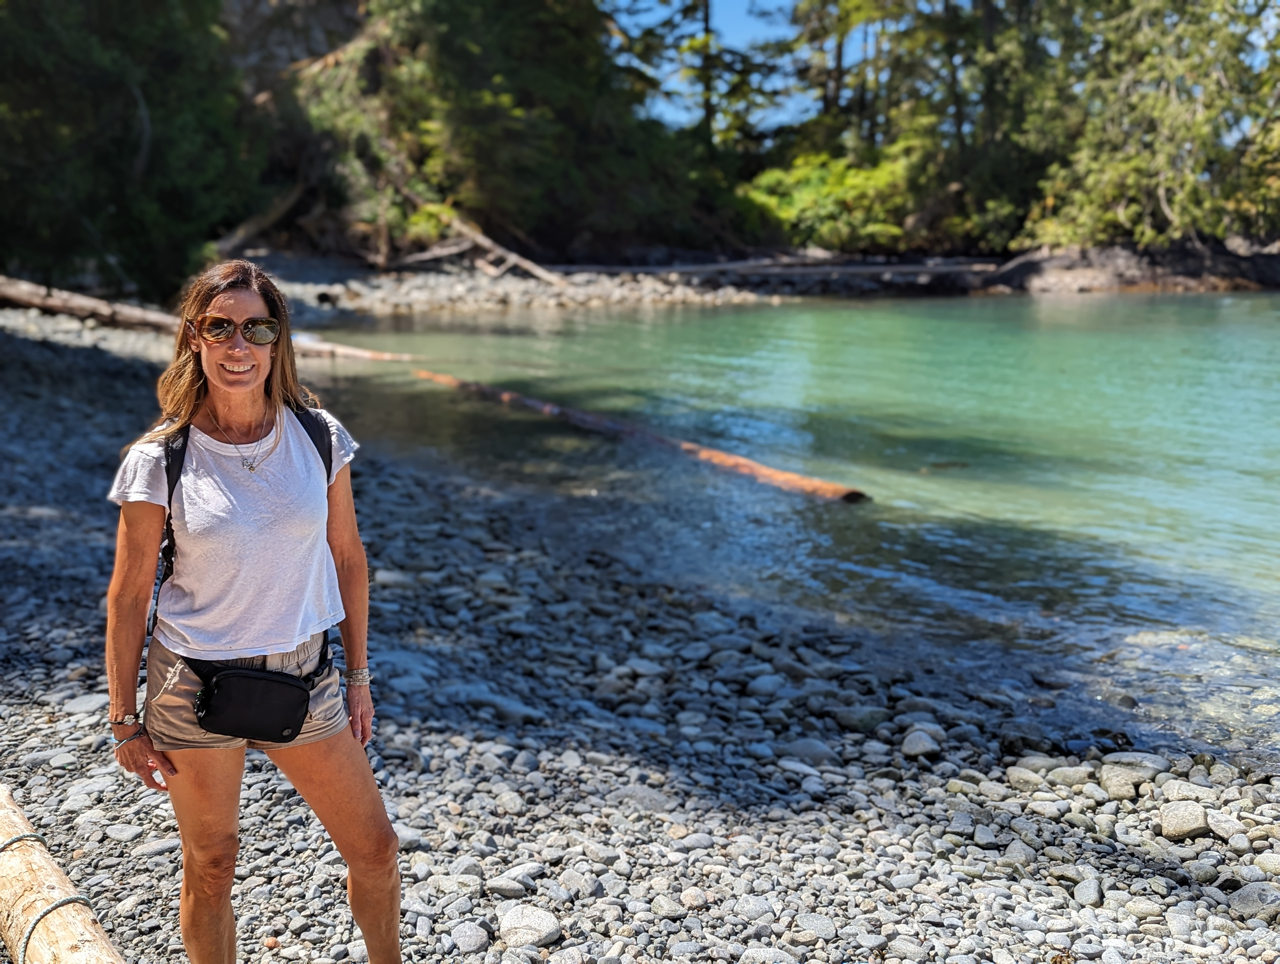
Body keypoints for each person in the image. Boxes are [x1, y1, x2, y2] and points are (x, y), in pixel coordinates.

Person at [104, 260, 401, 964]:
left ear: (277, 341)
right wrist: (123, 717)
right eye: (221, 327)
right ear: (195, 338)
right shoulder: (160, 460)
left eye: (257, 328)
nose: (239, 346)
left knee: (378, 851)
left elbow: (349, 558)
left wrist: (358, 676)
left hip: (306, 678)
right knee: (212, 866)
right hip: (190, 686)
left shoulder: (320, 435)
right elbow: (127, 594)